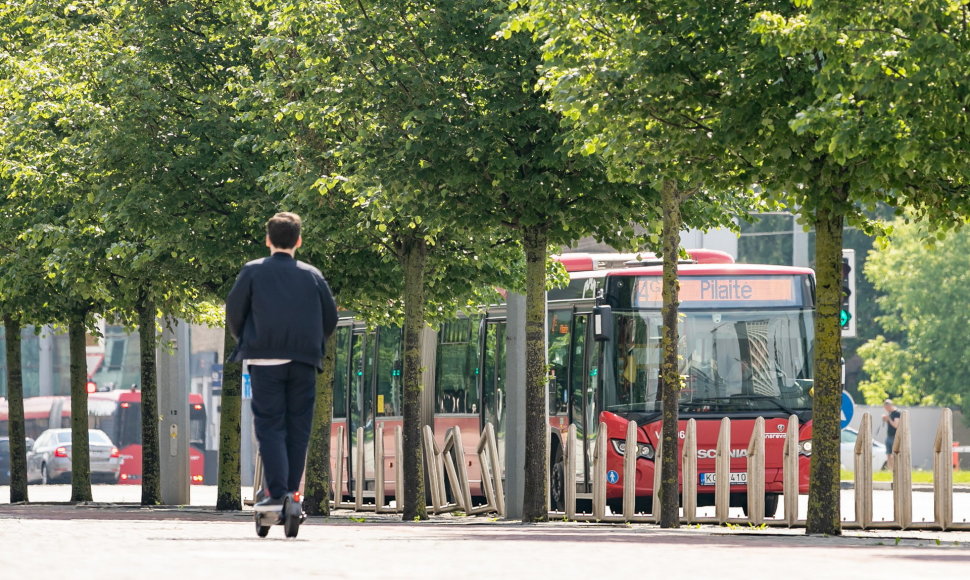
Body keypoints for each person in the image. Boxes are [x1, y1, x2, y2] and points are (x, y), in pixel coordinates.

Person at [226, 212, 338, 511]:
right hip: (304, 361)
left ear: (267, 240)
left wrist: (249, 341)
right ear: (298, 241)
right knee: (299, 426)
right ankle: (290, 491)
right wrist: (312, 344)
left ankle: (276, 493)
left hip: (264, 361)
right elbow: (330, 318)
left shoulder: (252, 272)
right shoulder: (313, 275)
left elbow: (235, 314)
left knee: (270, 425)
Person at [882, 398, 901, 470]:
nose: (886, 409)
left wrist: (889, 419)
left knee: (894, 455)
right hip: (889, 436)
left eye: (886, 407)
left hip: (895, 436)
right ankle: (890, 470)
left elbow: (896, 425)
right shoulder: (890, 413)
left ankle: (894, 470)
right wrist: (885, 419)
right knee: (888, 454)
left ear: (890, 406)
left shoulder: (897, 413)